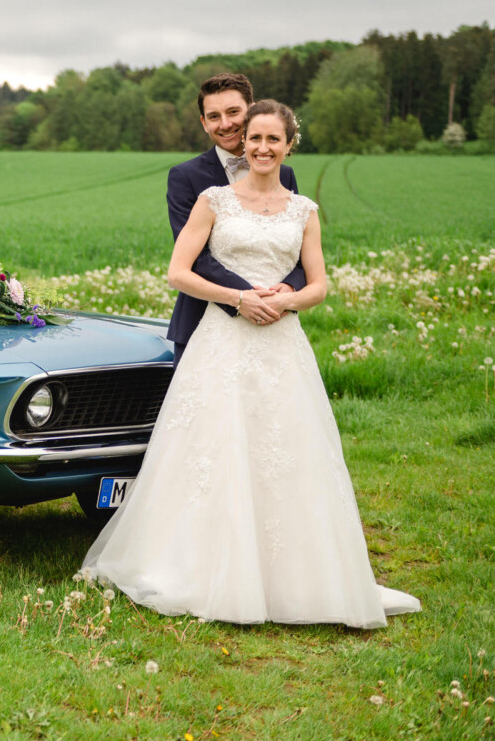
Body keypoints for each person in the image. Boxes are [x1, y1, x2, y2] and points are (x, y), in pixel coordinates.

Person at [81, 100, 420, 629]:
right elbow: (179, 271)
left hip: (281, 342)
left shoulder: (303, 209)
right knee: (215, 447)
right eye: (254, 138)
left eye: (273, 140)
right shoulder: (213, 200)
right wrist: (239, 300)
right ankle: (203, 566)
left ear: (289, 146)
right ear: (244, 142)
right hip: (222, 338)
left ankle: (294, 574)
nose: (262, 147)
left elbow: (319, 284)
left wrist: (285, 301)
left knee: (284, 449)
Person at [166, 74, 303, 367]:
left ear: (251, 111)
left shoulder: (286, 175)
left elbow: (296, 245)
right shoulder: (185, 177)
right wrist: (244, 296)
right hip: (203, 321)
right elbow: (195, 258)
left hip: (273, 320)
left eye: (233, 112)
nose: (225, 124)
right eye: (214, 116)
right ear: (204, 123)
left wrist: (289, 289)